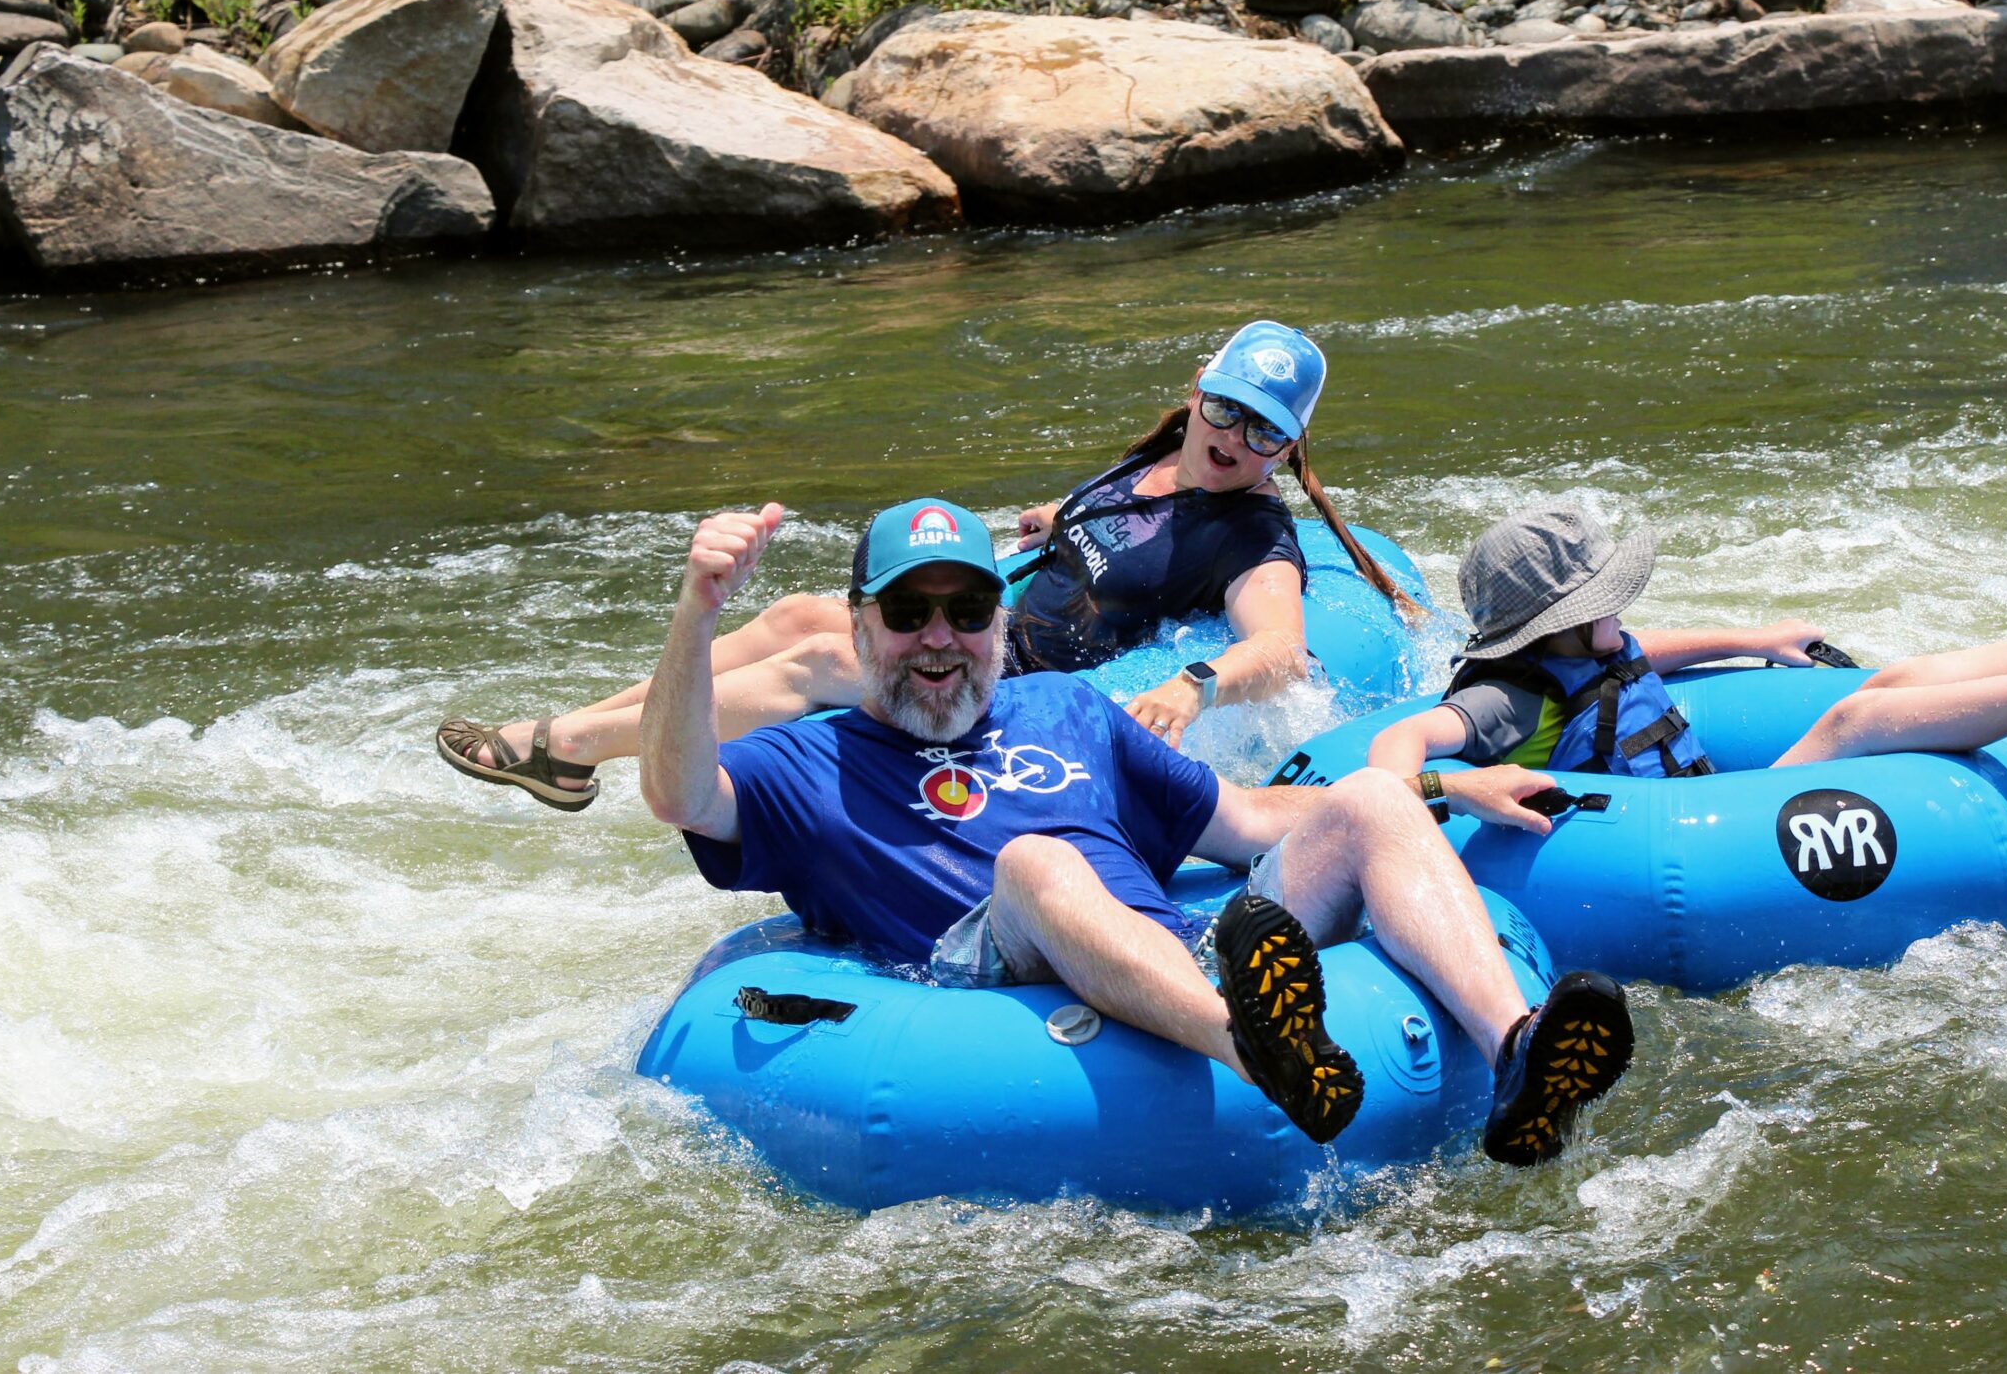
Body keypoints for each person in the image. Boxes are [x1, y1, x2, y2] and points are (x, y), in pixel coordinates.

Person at [640, 495, 1633, 1165]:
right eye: (908, 610)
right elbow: (681, 793)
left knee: (1367, 799)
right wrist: (695, 611)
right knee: (1036, 859)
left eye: (968, 607)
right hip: (983, 964)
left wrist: (1437, 790)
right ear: (859, 628)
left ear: (998, 619)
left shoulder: (1068, 708)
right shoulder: (808, 762)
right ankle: (1255, 1050)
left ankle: (1520, 1054)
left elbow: (1244, 820)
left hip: (1170, 942)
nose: (939, 636)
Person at [438, 320, 1416, 809]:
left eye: (1264, 430)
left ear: (1288, 449)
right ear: (1198, 388)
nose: (1236, 436)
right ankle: (566, 740)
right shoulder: (1161, 454)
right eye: (1227, 407)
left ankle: (570, 746)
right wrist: (1055, 516)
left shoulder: (1252, 535)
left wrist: (1198, 683)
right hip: (1002, 632)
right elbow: (1106, 533)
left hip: (1035, 694)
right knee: (796, 615)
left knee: (824, 660)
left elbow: (1282, 650)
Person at [1366, 501, 2007, 803]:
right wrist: (1456, 785)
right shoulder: (1507, 702)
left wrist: (1756, 637)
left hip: (1701, 796)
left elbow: (1645, 656)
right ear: (1553, 625)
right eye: (1605, 597)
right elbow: (1398, 748)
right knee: (1855, 718)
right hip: (1685, 831)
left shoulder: (1588, 650)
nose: (1624, 607)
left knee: (1897, 679)